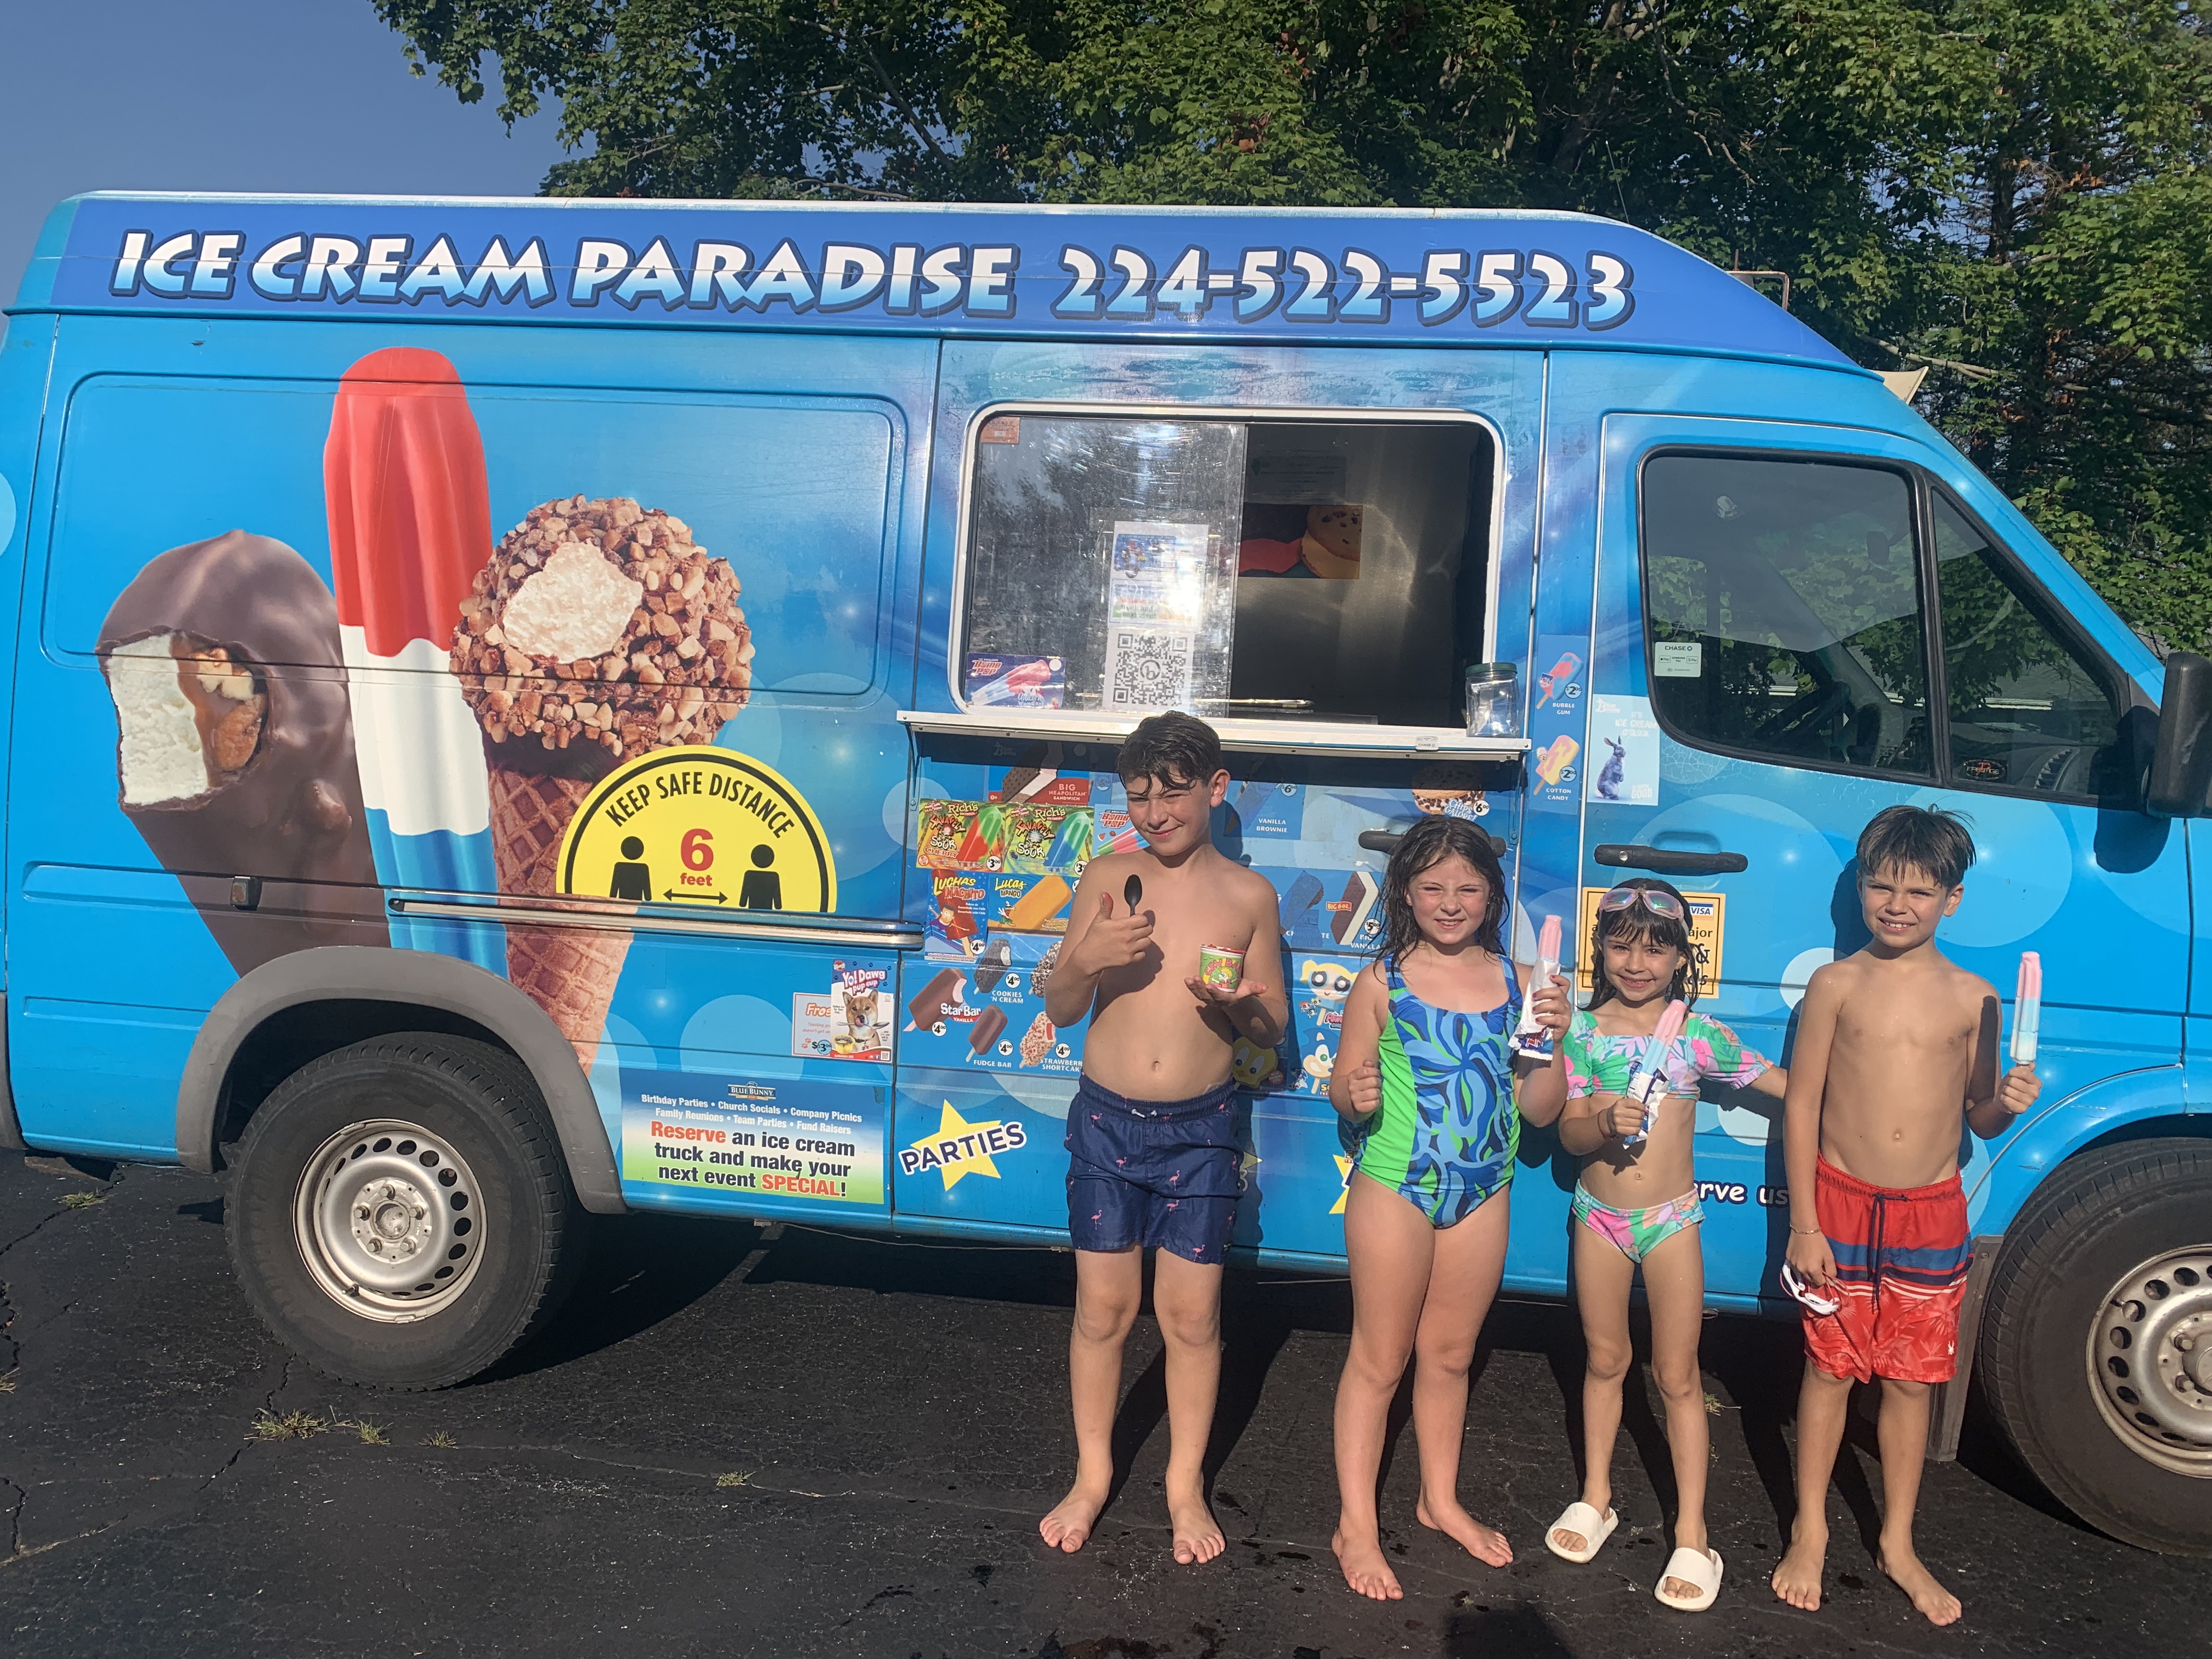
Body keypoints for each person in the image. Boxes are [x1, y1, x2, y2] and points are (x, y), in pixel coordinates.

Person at [1771, 806, 2039, 1626]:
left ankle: (1897, 1540)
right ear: (1859, 887)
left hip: (1931, 1214)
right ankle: (1811, 1528)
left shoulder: (1976, 997)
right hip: (1841, 1207)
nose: (1897, 902)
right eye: (1881, 883)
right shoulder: (1836, 984)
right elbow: (1803, 1106)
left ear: (1952, 900)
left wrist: (2006, 1103)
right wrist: (1806, 1224)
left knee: (1912, 1381)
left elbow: (1980, 1114)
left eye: (1919, 890)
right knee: (1828, 1370)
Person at [1037, 712, 1288, 1565]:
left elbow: (1274, 1027)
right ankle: (1093, 1474)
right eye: (1139, 795)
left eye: (1173, 793)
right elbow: (1062, 1007)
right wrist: (1087, 957)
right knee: (1102, 1310)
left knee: (1192, 1317)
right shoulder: (1107, 876)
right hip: (1105, 1119)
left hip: (1202, 1131)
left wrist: (1240, 1004)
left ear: (1217, 790)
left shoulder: (1251, 896)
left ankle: (1185, 1485)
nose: (1154, 812)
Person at [1327, 816, 1572, 1600]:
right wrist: (1352, 1092)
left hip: (1483, 1190)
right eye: (1432, 886)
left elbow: (1539, 1111)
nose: (1451, 901)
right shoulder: (1381, 980)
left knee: (1451, 1357)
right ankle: (1354, 1527)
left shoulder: (1524, 982)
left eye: (1468, 887)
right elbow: (1345, 1085)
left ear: (1493, 895)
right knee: (1380, 1358)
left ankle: (1439, 1499)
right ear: (1404, 891)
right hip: (1395, 1185)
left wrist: (1552, 1043)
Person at [1545, 877, 1787, 1613]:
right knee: (1605, 1361)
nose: (1638, 961)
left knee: (1678, 1377)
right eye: (1621, 944)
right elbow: (1568, 1132)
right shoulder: (1580, 1034)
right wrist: (1601, 1125)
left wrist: (1858, 1091)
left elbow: (1781, 1085)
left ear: (1684, 958)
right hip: (1598, 1220)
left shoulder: (1698, 1036)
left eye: (1657, 947)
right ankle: (1596, 1496)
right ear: (1600, 950)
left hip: (1672, 1223)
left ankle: (1693, 1532)